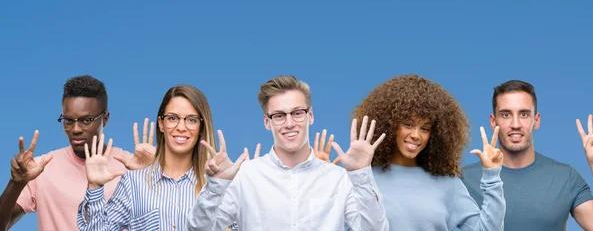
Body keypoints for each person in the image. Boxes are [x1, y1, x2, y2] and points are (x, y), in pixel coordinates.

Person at [186, 75, 389, 231]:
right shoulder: (245, 176)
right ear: (267, 122)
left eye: (297, 113)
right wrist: (215, 187)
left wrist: (362, 174)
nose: (289, 123)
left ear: (310, 116)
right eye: (279, 115)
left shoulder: (339, 179)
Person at [346, 74, 506, 230]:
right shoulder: (361, 178)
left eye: (424, 128)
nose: (416, 135)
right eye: (408, 124)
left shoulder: (449, 184)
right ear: (390, 125)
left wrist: (492, 176)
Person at [0, 75, 154, 231]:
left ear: (105, 119)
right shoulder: (39, 169)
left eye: (86, 120)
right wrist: (16, 183)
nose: (75, 130)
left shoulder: (132, 168)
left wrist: (152, 179)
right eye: (68, 120)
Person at [76, 84, 222, 230]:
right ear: (161, 123)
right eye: (172, 118)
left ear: (201, 126)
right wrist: (95, 188)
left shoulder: (217, 185)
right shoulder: (133, 183)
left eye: (191, 120)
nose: (181, 127)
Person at [461, 80, 593, 231]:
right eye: (506, 114)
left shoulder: (566, 177)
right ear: (493, 121)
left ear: (536, 120)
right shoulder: (464, 180)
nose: (515, 124)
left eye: (524, 114)